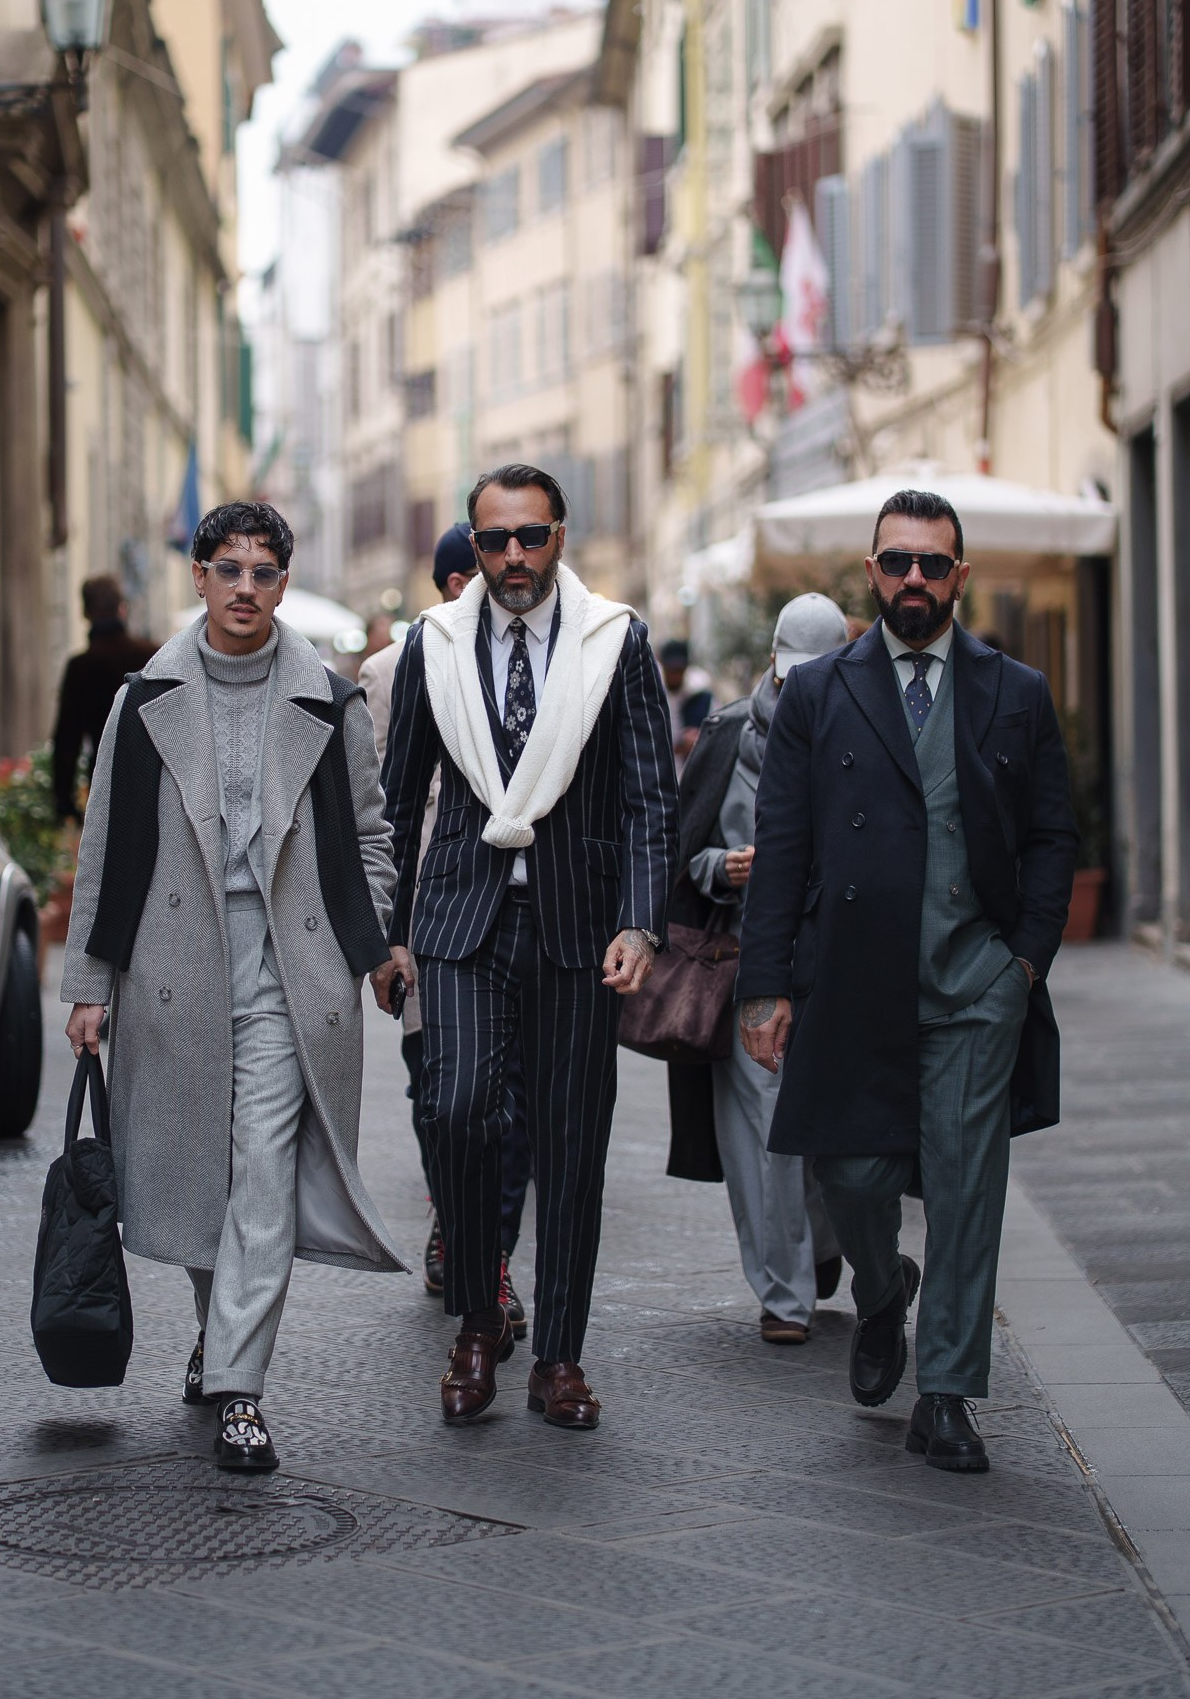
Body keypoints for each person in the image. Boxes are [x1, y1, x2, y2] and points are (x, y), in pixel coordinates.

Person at [61, 500, 409, 1473]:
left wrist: (362, 939)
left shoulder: (330, 700)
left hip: (290, 980)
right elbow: (103, 850)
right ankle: (219, 1334)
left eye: (263, 571)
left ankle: (241, 1388)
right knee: (196, 1182)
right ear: (200, 577)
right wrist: (90, 981)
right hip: (174, 972)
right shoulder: (144, 698)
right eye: (229, 569)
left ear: (283, 583)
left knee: (260, 1174)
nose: (245, 588)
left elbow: (372, 836)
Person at [735, 489, 1077, 1473]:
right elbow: (786, 847)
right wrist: (763, 987)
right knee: (849, 1176)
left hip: (974, 988)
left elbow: (1053, 836)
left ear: (958, 576)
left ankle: (947, 1394)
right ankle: (881, 1292)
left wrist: (1021, 964)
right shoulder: (818, 693)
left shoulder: (1014, 690)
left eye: (931, 563)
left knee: (968, 1190)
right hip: (850, 982)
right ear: (870, 573)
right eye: (895, 563)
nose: (913, 580)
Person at [382, 463, 678, 1429]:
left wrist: (640, 922)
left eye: (531, 537)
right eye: (494, 541)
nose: (513, 557)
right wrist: (387, 937)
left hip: (579, 929)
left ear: (561, 536)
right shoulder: (434, 647)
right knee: (459, 1112)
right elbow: (393, 802)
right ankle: (478, 1319)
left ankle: (559, 1355)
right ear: (473, 547)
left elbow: (647, 799)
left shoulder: (614, 642)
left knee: (570, 1146)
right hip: (461, 923)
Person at [360, 522, 533, 1337]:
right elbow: (377, 808)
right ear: (444, 585)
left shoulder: (537, 658)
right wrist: (382, 932)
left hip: (517, 907)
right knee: (439, 1091)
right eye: (464, 572)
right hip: (429, 911)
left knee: (514, 1102)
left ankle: (488, 1256)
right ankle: (457, 1222)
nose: (482, 582)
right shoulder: (396, 670)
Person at [670, 595, 848, 1344]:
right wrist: (722, 868)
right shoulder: (730, 731)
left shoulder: (863, 733)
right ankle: (784, 1295)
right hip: (742, 962)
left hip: (840, 963)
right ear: (773, 662)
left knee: (832, 1129)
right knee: (760, 1133)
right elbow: (678, 852)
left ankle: (828, 1246)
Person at [51, 575, 158, 821]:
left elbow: (67, 739)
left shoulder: (81, 666)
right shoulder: (153, 655)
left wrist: (63, 803)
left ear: (85, 614)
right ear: (122, 608)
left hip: (106, 786)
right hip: (156, 784)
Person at [659, 638, 714, 770]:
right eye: (671, 670)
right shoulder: (654, 693)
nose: (675, 675)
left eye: (679, 670)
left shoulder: (699, 694)